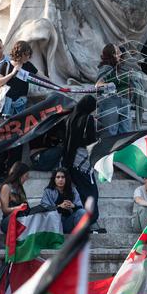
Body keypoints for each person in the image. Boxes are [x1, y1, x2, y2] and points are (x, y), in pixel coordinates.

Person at [63, 96, 101, 228]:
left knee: (81, 191)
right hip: (83, 161)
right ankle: (90, 219)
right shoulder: (88, 119)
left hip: (72, 160)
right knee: (91, 192)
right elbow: (89, 140)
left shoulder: (70, 118)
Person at [97, 44, 140, 133]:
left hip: (124, 101)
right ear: (112, 54)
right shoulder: (106, 67)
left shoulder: (120, 67)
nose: (120, 53)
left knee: (125, 132)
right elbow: (98, 85)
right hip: (111, 102)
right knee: (111, 133)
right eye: (117, 51)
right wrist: (110, 86)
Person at [0, 40, 39, 116]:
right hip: (6, 104)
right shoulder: (6, 64)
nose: (28, 57)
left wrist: (54, 85)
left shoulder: (28, 65)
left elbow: (40, 76)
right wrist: (12, 73)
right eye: (25, 54)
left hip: (22, 104)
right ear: (19, 54)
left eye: (29, 55)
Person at [41, 168, 85, 233]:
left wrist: (73, 205)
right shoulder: (48, 191)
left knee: (82, 212)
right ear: (54, 179)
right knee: (51, 215)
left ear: (66, 179)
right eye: (58, 177)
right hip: (54, 224)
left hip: (68, 222)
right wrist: (59, 206)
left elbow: (80, 206)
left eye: (63, 177)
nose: (60, 179)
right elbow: (44, 207)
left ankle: (78, 237)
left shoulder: (73, 190)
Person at [0, 161, 30, 233]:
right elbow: (5, 210)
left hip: (21, 217)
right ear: (19, 175)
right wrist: (18, 208)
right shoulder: (6, 187)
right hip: (9, 220)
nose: (27, 178)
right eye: (26, 176)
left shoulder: (19, 188)